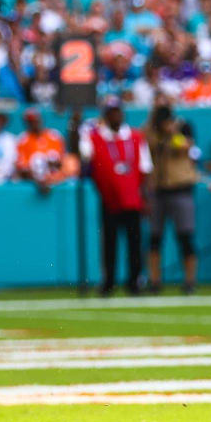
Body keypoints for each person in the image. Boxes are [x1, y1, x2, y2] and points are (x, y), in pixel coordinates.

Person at [79, 97, 151, 297]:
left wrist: (147, 198)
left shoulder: (136, 137)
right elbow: (83, 156)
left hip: (133, 199)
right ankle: (108, 281)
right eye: (111, 112)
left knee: (134, 244)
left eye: (118, 111)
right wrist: (76, 128)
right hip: (109, 199)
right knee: (109, 244)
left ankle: (134, 282)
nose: (115, 116)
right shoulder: (95, 137)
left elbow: (146, 168)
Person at [144, 96, 199, 294]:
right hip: (159, 190)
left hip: (180, 187)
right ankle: (154, 280)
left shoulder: (182, 126)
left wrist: (172, 131)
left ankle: (190, 281)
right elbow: (147, 147)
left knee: (185, 236)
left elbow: (185, 146)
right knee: (154, 238)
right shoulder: (150, 131)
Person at [16, 108, 75, 193]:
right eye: (31, 121)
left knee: (72, 162)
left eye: (36, 120)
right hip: (36, 180)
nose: (34, 123)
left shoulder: (54, 135)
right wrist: (40, 179)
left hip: (57, 179)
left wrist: (53, 164)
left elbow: (64, 161)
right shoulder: (23, 139)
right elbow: (23, 168)